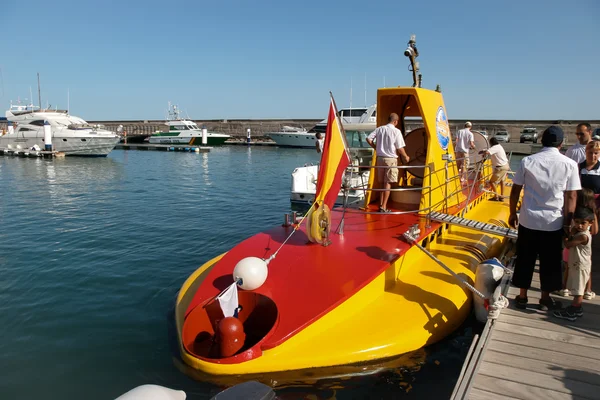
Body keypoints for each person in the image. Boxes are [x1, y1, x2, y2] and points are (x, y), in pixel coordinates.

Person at [509, 126, 581, 311]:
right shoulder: (570, 164)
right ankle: (545, 298)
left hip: (528, 219)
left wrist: (512, 213)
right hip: (553, 222)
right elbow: (571, 195)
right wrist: (568, 222)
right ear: (561, 143)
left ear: (541, 141)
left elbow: (515, 189)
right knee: (550, 261)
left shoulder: (527, 161)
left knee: (525, 257)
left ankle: (523, 296)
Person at [553, 206, 594, 321]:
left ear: (590, 223)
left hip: (581, 266)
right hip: (577, 264)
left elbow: (568, 244)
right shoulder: (581, 232)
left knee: (578, 289)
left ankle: (575, 309)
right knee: (576, 287)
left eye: (583, 223)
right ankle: (576, 307)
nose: (579, 225)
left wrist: (567, 235)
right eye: (577, 222)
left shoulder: (583, 236)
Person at [556, 188, 598, 297]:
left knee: (568, 265)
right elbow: (595, 230)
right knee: (586, 268)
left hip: (572, 241)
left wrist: (567, 235)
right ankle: (588, 291)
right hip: (585, 249)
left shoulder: (574, 212)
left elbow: (568, 226)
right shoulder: (591, 215)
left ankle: (565, 287)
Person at [366, 113, 410, 213]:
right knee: (388, 183)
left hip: (380, 158)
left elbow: (368, 138)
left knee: (382, 183)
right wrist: (406, 156)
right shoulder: (396, 131)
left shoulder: (380, 129)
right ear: (395, 121)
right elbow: (399, 147)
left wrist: (375, 147)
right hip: (390, 159)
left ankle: (381, 204)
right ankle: (384, 207)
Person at [479, 137, 509, 201]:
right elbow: (490, 150)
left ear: (491, 143)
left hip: (500, 167)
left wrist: (483, 153)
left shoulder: (495, 147)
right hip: (506, 166)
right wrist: (484, 151)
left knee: (492, 182)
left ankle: (496, 196)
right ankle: (502, 196)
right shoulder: (499, 146)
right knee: (502, 181)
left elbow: (488, 152)